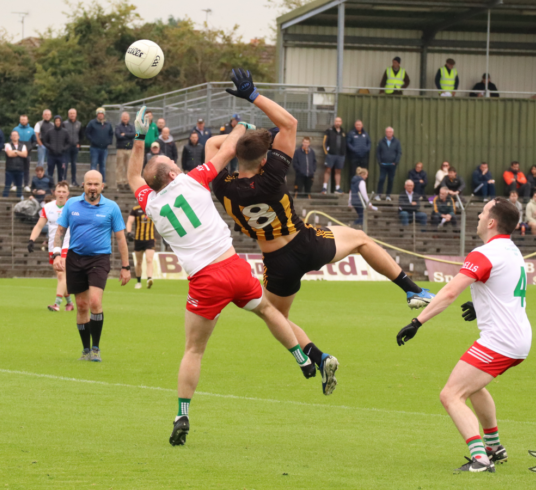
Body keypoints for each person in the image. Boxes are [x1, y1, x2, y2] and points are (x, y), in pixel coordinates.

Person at [211, 69, 434, 394]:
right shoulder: (271, 173)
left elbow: (216, 146)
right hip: (305, 244)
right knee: (360, 239)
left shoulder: (222, 185)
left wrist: (239, 133)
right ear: (263, 161)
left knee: (276, 317)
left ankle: (318, 356)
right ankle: (413, 290)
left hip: (277, 262)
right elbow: (289, 124)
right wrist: (252, 97)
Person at [126, 105, 317, 447]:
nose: (177, 167)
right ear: (172, 175)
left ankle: (182, 412)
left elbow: (132, 177)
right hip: (234, 267)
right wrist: (241, 124)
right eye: (172, 165)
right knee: (269, 311)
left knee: (194, 350)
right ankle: (299, 356)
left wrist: (140, 138)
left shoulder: (151, 203)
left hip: (205, 280)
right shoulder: (193, 178)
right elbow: (229, 149)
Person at [396, 197, 531, 474]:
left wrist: (417, 322)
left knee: (451, 395)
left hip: (500, 340)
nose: (479, 217)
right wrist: (480, 304)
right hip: (518, 339)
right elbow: (502, 287)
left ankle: (480, 458)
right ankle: (494, 447)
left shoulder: (483, 253)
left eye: (482, 213)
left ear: (491, 222)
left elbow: (448, 293)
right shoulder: (512, 251)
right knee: (473, 386)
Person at [53, 170, 131, 362]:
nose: (93, 188)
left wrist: (126, 266)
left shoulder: (111, 207)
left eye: (96, 184)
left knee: (95, 302)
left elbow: (121, 238)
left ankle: (96, 347)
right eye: (89, 184)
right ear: (83, 185)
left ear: (102, 186)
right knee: (81, 306)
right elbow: (60, 230)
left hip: (99, 259)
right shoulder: (72, 204)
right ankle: (85, 349)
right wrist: (56, 253)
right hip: (75, 258)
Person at [28, 181, 73, 311]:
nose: (61, 194)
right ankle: (69, 303)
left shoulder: (72, 207)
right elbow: (39, 225)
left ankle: (57, 304)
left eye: (64, 191)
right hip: (53, 247)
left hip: (67, 245)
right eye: (59, 191)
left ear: (68, 193)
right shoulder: (48, 207)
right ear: (54, 192)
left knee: (61, 275)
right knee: (60, 276)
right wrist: (32, 240)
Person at [126, 204, 156, 290]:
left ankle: (149, 279)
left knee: (149, 260)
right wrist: (129, 232)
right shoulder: (135, 209)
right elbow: (130, 221)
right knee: (139, 262)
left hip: (150, 239)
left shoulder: (153, 208)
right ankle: (138, 282)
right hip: (138, 240)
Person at [85, 108, 113, 182]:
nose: (100, 115)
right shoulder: (92, 123)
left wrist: (109, 142)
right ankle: (92, 180)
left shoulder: (108, 124)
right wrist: (93, 140)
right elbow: (87, 133)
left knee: (103, 166)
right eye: (99, 114)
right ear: (97, 114)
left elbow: (111, 134)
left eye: (102, 114)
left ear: (104, 115)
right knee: (93, 165)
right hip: (94, 148)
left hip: (104, 148)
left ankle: (102, 181)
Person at [375, 126, 401, 201]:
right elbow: (378, 152)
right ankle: (378, 195)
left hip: (392, 165)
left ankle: (388, 196)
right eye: (387, 132)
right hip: (383, 165)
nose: (388, 133)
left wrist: (396, 162)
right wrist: (380, 162)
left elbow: (399, 152)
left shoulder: (396, 142)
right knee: (381, 179)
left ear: (392, 133)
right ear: (385, 133)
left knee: (390, 180)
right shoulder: (381, 141)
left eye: (390, 132)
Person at [321, 117, 346, 194]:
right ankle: (324, 188)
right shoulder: (329, 131)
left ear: (341, 122)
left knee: (338, 171)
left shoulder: (343, 132)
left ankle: (337, 188)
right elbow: (324, 142)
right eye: (336, 121)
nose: (337, 123)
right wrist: (326, 153)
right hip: (331, 154)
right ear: (334, 122)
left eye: (339, 121)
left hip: (340, 155)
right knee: (328, 170)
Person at [43, 115, 71, 183]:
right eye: (56, 121)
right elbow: (45, 141)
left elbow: (69, 142)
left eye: (59, 121)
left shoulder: (65, 132)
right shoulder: (50, 131)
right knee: (50, 172)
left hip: (61, 156)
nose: (58, 122)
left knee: (61, 172)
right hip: (51, 155)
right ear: (54, 122)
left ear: (61, 122)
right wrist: (50, 147)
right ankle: (50, 186)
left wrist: (64, 148)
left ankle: (60, 186)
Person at [13, 115, 36, 192]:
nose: (23, 121)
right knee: (16, 168)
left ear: (27, 120)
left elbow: (34, 141)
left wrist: (29, 148)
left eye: (24, 120)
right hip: (17, 153)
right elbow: (12, 140)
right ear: (20, 120)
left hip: (27, 153)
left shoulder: (31, 130)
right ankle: (15, 184)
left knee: (26, 169)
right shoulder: (15, 129)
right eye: (22, 120)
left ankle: (26, 185)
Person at [2, 130, 28, 198]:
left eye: (16, 135)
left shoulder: (23, 145)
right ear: (11, 137)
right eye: (13, 135)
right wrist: (19, 153)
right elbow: (9, 154)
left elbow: (25, 155)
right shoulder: (7, 144)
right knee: (7, 186)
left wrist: (15, 151)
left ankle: (19, 199)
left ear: (18, 137)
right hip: (10, 169)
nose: (14, 136)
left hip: (20, 168)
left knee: (19, 187)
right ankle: (4, 198)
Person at [114, 111, 135, 189]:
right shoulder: (118, 126)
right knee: (119, 166)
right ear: (121, 118)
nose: (125, 119)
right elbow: (118, 136)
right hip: (121, 149)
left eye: (126, 118)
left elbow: (134, 134)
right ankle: (119, 182)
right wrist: (127, 135)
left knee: (128, 167)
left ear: (129, 118)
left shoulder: (132, 126)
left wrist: (125, 134)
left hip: (129, 149)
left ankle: (127, 182)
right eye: (124, 118)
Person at [63, 109, 84, 183]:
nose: (72, 115)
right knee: (65, 164)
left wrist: (79, 143)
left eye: (73, 113)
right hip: (66, 147)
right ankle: (64, 179)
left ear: (76, 114)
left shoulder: (79, 124)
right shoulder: (64, 124)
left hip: (75, 146)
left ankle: (74, 181)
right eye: (71, 113)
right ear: (68, 114)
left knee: (74, 164)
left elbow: (81, 135)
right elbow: (62, 135)